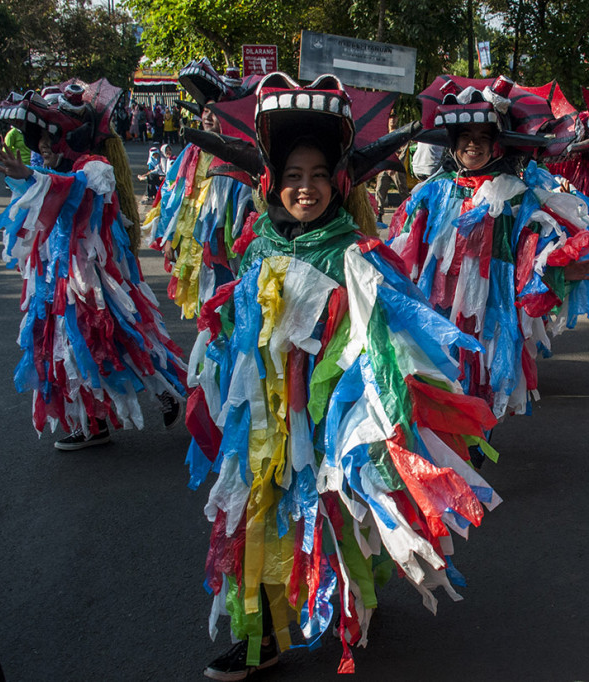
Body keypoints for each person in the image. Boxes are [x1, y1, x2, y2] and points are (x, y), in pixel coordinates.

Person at [188, 71, 501, 680]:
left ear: (339, 182)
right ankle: (263, 635)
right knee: (263, 517)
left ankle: (354, 601)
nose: (305, 189)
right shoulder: (255, 247)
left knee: (339, 513)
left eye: (317, 177)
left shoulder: (355, 251)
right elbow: (240, 332)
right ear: (273, 184)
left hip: (333, 420)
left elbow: (389, 342)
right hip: (265, 426)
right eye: (293, 177)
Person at [389, 75, 589, 418]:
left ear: (497, 145)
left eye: (482, 138)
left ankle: (474, 444)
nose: (473, 145)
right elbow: (403, 250)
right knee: (436, 382)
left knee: (482, 380)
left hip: (492, 312)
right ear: (452, 143)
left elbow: (529, 254)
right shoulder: (430, 192)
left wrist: (561, 271)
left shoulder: (516, 196)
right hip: (436, 308)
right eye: (465, 138)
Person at [0, 80, 185, 450]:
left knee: (121, 337)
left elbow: (72, 189)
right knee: (67, 348)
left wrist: (32, 178)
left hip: (96, 280)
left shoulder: (95, 167)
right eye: (38, 140)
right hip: (56, 280)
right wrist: (27, 178)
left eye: (50, 137)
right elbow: (35, 210)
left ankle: (167, 389)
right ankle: (92, 424)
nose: (42, 148)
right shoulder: (46, 169)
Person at [143, 59, 260, 319]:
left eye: (216, 110)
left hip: (231, 250)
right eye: (205, 110)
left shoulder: (244, 154)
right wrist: (169, 236)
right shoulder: (192, 152)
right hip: (199, 247)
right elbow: (173, 197)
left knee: (234, 311)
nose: (208, 116)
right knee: (207, 311)